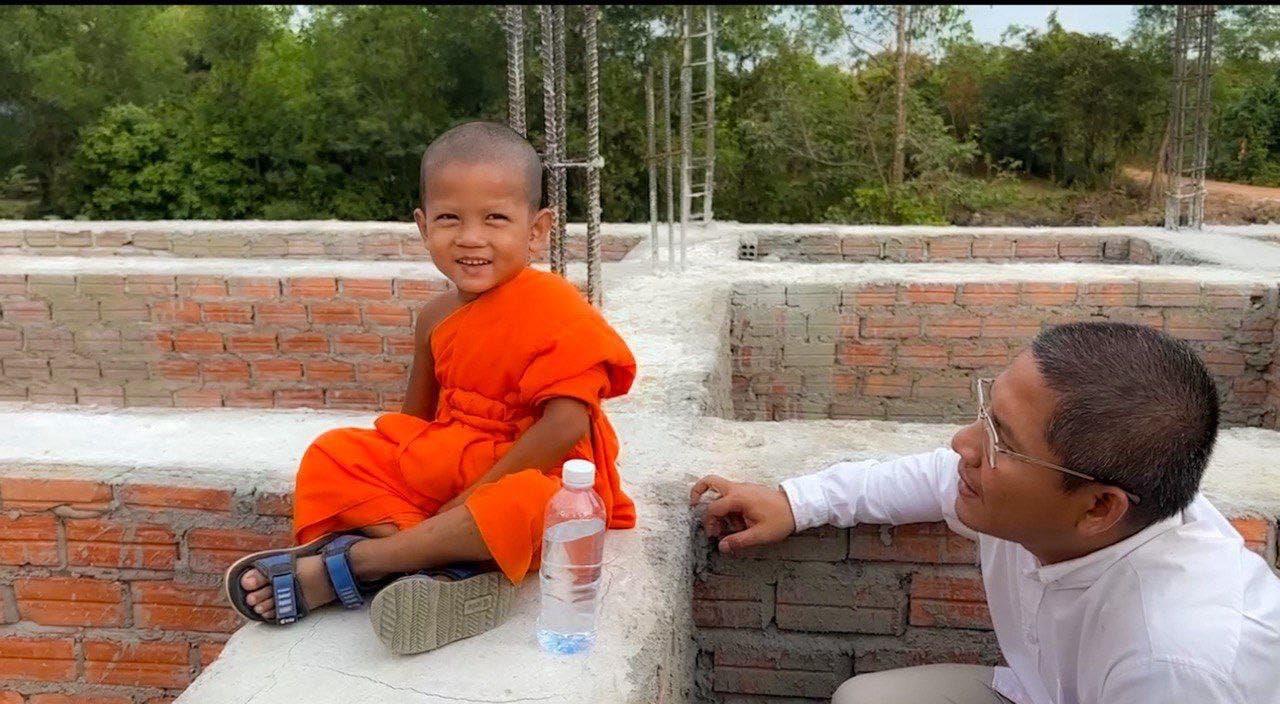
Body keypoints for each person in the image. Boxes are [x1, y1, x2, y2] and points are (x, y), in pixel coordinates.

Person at [692, 322, 1280, 704]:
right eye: (984, 413)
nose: (961, 444)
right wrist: (796, 501)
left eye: (999, 439)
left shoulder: (1176, 664)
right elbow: (921, 477)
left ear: (1099, 506)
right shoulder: (1036, 502)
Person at [223, 121, 637, 654]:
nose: (470, 237)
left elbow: (565, 424)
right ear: (423, 227)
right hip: (455, 463)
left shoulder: (555, 305)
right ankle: (445, 565)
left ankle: (362, 564)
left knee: (538, 505)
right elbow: (414, 424)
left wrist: (475, 495)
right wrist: (416, 474)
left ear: (537, 230)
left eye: (495, 218)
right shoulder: (435, 317)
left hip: (535, 469)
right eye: (449, 218)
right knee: (335, 454)